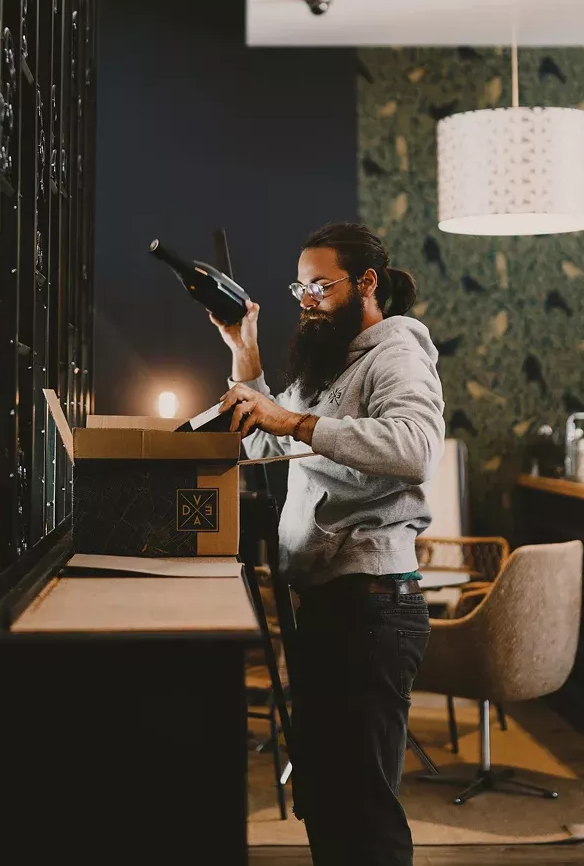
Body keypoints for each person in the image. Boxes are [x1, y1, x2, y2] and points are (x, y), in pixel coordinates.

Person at [212, 221, 445, 866]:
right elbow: (263, 437)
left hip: (371, 608)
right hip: (328, 603)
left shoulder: (395, 352)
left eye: (321, 285)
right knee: (326, 794)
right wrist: (243, 349)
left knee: (362, 805)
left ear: (366, 282)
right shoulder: (331, 365)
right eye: (301, 287)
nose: (308, 299)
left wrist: (299, 421)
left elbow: (415, 447)